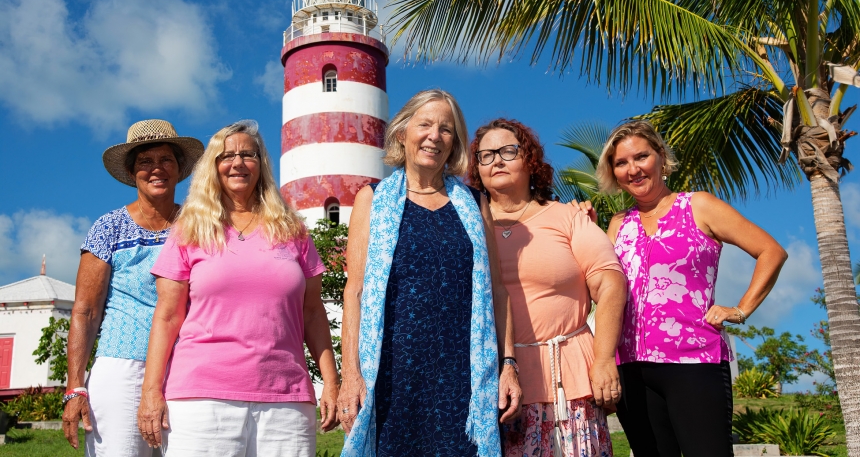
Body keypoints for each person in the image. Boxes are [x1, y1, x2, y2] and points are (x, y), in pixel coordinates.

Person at [136, 120, 338, 457]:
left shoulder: (293, 230)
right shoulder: (189, 229)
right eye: (227, 156)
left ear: (261, 165)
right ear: (213, 167)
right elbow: (168, 316)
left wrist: (331, 381)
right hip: (202, 400)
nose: (238, 162)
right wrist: (151, 391)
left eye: (248, 154)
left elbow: (313, 312)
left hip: (286, 400)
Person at [337, 90, 522, 457]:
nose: (434, 136)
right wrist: (351, 376)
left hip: (464, 376)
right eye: (425, 124)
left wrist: (509, 364)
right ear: (402, 133)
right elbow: (355, 291)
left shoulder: (475, 203)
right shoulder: (372, 200)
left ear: (454, 143)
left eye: (446, 129)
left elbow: (498, 292)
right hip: (392, 375)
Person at [595, 120, 788, 457]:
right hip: (630, 369)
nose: (633, 169)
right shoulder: (616, 224)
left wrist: (740, 309)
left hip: (695, 362)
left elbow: (771, 251)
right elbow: (599, 287)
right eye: (621, 163)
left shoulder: (698, 205)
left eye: (641, 157)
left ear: (661, 157)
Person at [470, 119, 626, 457]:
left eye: (508, 151)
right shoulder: (466, 226)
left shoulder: (567, 217)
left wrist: (603, 359)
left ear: (529, 159)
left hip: (567, 385)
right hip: (493, 390)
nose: (496, 160)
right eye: (486, 155)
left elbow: (610, 281)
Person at [62, 119, 204, 456]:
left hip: (188, 368)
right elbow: (85, 311)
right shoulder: (108, 228)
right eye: (145, 161)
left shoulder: (199, 227)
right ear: (132, 172)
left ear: (179, 168)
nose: (157, 169)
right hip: (123, 369)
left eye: (166, 160)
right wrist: (75, 386)